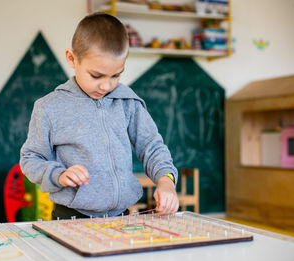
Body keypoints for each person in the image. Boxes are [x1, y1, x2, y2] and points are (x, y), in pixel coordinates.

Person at [20, 12, 179, 220]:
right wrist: (58, 174)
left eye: (116, 75)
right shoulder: (49, 108)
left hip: (121, 217)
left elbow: (152, 147)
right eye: (96, 75)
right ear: (71, 58)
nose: (106, 85)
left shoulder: (127, 102)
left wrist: (166, 181)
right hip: (70, 218)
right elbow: (31, 158)